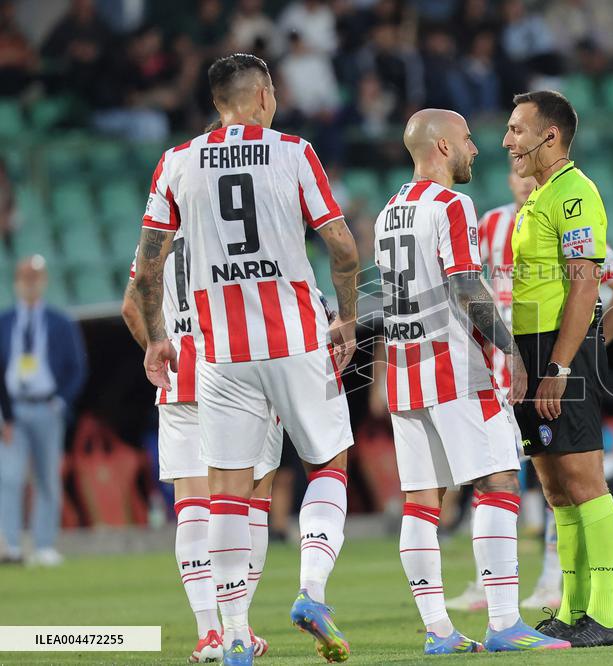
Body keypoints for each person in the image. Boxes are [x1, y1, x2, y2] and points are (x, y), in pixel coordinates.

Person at [132, 53, 360, 665]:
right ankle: (311, 589)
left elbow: (150, 267)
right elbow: (340, 246)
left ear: (216, 103)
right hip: (293, 338)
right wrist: (346, 316)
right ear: (263, 96)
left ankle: (232, 632)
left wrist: (157, 336)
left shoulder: (177, 163)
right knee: (328, 464)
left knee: (225, 493)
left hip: (220, 354)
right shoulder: (294, 151)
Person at [374, 108, 569, 655]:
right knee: (500, 483)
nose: (476, 149)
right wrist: (512, 351)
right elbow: (465, 283)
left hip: (406, 373)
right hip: (456, 368)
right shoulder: (453, 205)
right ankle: (505, 622)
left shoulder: (388, 212)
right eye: (465, 139)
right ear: (440, 147)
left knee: (420, 502)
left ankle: (439, 631)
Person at [447, 159, 613, 613]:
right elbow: (463, 290)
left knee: (569, 479)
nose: (526, 179)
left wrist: (581, 350)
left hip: (550, 372)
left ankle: (556, 583)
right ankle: (486, 583)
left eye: (532, 172)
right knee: (496, 477)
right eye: (516, 171)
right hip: (496, 377)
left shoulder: (564, 221)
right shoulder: (489, 225)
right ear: (510, 178)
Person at [121, 229, 281, 662]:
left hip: (179, 383)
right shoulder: (233, 227)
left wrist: (158, 349)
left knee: (192, 509)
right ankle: (238, 628)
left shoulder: (155, 241)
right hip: (236, 377)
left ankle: (209, 632)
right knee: (248, 506)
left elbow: (131, 306)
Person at [503, 90, 613, 647]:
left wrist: (558, 365)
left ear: (549, 135)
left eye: (517, 130)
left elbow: (584, 284)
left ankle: (603, 615)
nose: (508, 142)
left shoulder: (575, 194)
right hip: (533, 350)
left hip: (560, 349)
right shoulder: (541, 195)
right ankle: (572, 612)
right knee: (555, 487)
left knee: (584, 482)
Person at [0, 255, 85, 567]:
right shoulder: (4, 322)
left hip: (46, 406)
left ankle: (44, 544)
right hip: (11, 410)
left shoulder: (60, 322)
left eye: (35, 277)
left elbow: (77, 368)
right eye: (25, 277)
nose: (30, 283)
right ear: (16, 283)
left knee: (47, 478)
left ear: (44, 280)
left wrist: (60, 402)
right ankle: (9, 545)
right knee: (8, 477)